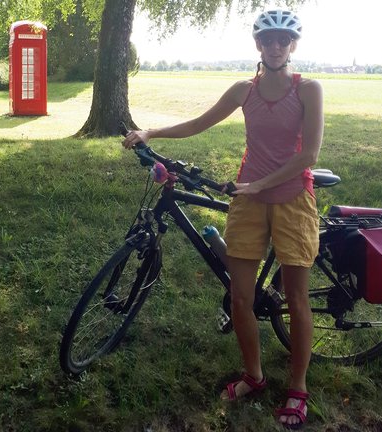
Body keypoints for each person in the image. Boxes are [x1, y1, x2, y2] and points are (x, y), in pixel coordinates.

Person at [122, 9, 323, 430]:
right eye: (267, 39)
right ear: (258, 45)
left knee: (297, 301)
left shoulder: (308, 90)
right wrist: (151, 133)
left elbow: (308, 157)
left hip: (291, 201)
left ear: (293, 46)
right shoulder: (242, 91)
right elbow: (199, 123)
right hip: (248, 201)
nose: (275, 46)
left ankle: (298, 387)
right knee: (239, 298)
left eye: (283, 40)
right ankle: (255, 375)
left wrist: (258, 184)